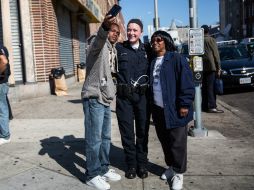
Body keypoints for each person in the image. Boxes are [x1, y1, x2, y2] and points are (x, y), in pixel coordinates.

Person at [149, 30, 195, 190]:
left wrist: (184, 105)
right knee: (165, 142)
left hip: (175, 109)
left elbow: (187, 83)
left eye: (159, 40)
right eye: (153, 40)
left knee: (178, 143)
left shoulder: (176, 59)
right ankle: (171, 167)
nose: (155, 42)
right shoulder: (153, 61)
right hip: (159, 110)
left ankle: (179, 173)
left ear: (166, 41)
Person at [81, 15, 121, 190]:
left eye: (117, 32)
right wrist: (104, 28)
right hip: (94, 97)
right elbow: (97, 43)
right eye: (112, 31)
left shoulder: (113, 49)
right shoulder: (97, 44)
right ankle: (92, 174)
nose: (115, 34)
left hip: (105, 98)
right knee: (94, 139)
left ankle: (103, 169)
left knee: (105, 138)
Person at [116, 18, 150, 179]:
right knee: (127, 134)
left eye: (135, 30)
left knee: (143, 132)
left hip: (143, 98)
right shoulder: (119, 48)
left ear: (141, 32)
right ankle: (131, 165)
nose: (131, 33)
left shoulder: (148, 50)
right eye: (129, 29)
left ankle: (142, 164)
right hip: (124, 98)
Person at [201, 25, 224, 113]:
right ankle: (212, 106)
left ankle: (204, 106)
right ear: (208, 31)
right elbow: (216, 55)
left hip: (201, 67)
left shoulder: (199, 40)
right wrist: (219, 68)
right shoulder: (211, 40)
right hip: (211, 66)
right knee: (211, 88)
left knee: (204, 88)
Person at [0, 44, 11, 145]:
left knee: (2, 110)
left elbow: (4, 61)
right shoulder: (3, 47)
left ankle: (5, 135)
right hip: (3, 82)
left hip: (0, 83)